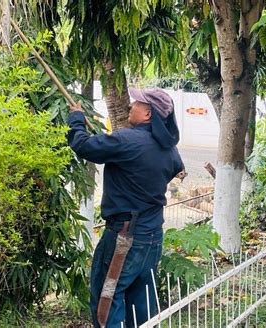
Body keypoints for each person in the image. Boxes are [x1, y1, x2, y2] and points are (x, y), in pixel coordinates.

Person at [67, 87, 185, 327]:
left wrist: (77, 121)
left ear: (148, 114)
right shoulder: (168, 147)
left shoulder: (126, 140)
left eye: (136, 103)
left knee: (108, 295)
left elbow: (84, 146)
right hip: (152, 237)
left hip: (125, 238)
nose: (130, 106)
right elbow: (176, 167)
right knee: (139, 300)